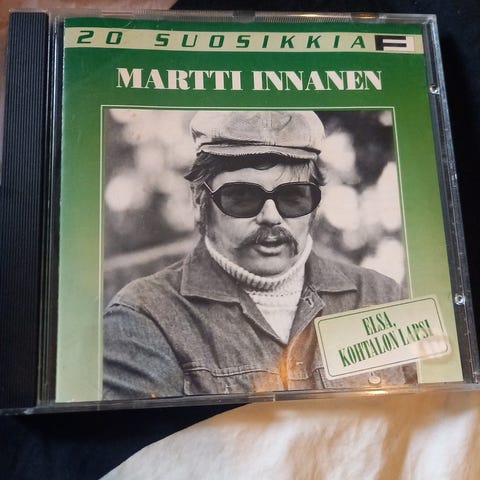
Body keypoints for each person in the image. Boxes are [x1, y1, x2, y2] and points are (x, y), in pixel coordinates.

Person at [103, 110, 414, 400]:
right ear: (200, 202)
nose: (271, 217)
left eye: (292, 197)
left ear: (315, 206)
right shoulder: (145, 314)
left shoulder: (382, 298)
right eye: (242, 197)